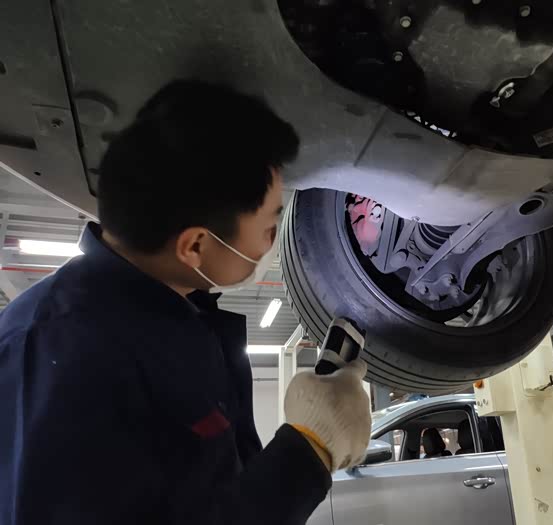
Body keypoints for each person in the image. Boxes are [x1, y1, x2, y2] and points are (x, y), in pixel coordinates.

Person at [0, 80, 372, 525]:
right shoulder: (55, 353)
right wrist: (307, 451)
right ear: (195, 245)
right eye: (269, 226)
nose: (272, 242)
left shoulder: (170, 316)